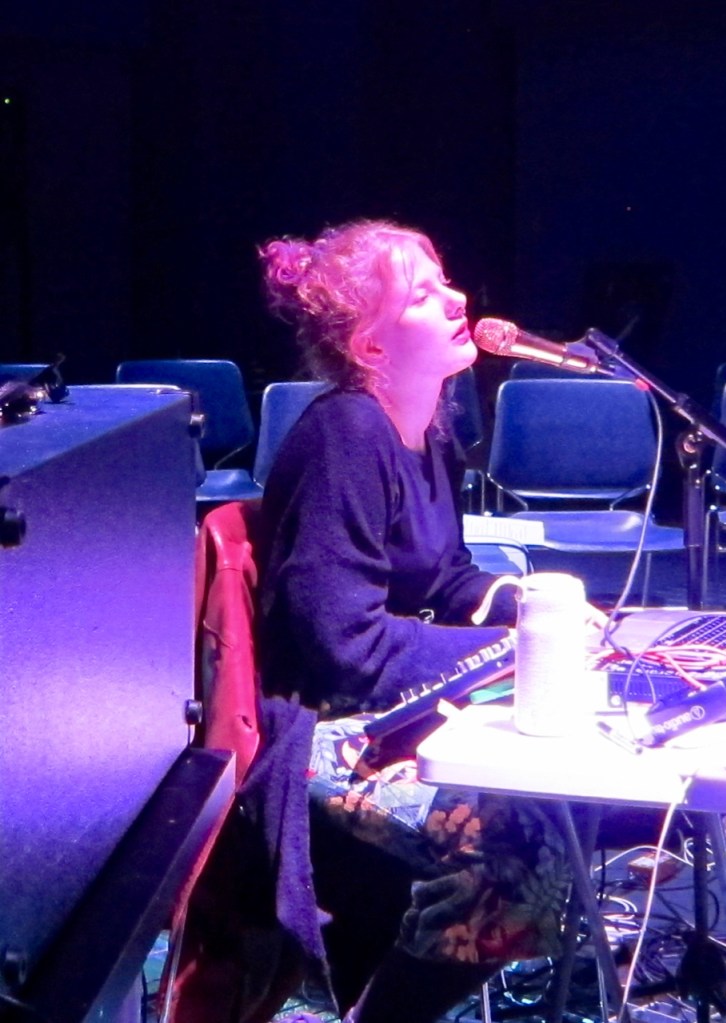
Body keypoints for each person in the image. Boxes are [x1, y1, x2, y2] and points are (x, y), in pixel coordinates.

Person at [256, 219, 581, 1023]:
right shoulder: (346, 434)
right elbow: (344, 645)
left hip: (389, 712)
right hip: (318, 732)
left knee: (572, 798)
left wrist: (531, 607)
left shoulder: (428, 431)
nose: (457, 299)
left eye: (445, 280)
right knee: (516, 847)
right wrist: (507, 649)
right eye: (423, 293)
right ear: (369, 344)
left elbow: (446, 578)